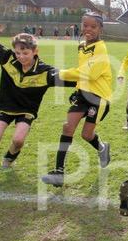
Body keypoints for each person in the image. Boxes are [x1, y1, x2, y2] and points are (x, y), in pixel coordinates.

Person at [0, 0, 75, 170]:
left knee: (18, 140)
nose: (20, 56)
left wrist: (91, 79)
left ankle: (9, 158)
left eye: (25, 53)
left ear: (35, 51)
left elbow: (69, 78)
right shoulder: (7, 59)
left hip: (26, 110)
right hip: (5, 106)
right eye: (18, 52)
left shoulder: (45, 71)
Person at [41, 12, 113, 187]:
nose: (88, 29)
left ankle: (102, 148)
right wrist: (78, 88)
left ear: (101, 29)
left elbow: (90, 74)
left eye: (93, 26)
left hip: (98, 98)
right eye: (85, 25)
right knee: (67, 127)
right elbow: (82, 70)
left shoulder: (101, 49)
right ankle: (59, 173)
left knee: (86, 135)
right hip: (83, 95)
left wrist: (60, 73)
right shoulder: (81, 46)